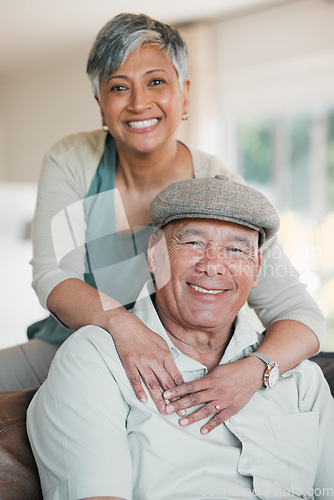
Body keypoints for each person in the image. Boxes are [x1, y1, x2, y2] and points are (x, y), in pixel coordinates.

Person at [0, 14, 324, 432]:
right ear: (100, 105)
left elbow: (300, 314)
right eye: (119, 87)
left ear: (184, 95)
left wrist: (255, 370)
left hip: (178, 363)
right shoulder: (74, 161)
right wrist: (122, 324)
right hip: (72, 342)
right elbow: (51, 276)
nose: (138, 102)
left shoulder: (217, 188)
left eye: (156, 82)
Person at [27, 176, 334, 500]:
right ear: (154, 255)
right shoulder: (95, 361)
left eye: (235, 249)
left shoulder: (301, 379)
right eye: (193, 243)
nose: (213, 265)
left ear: (256, 268)